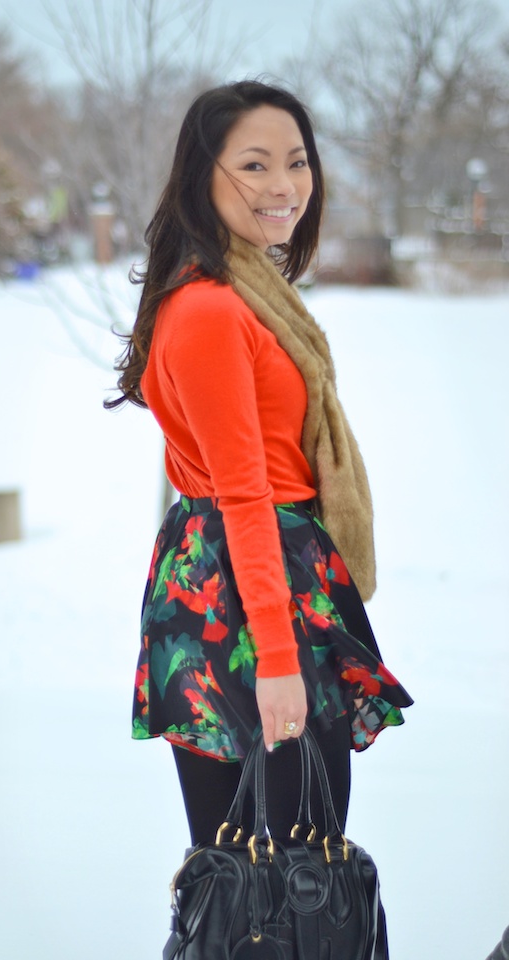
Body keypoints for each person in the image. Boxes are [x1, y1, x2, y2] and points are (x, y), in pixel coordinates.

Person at [106, 80, 412, 847]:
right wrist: (275, 660)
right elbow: (243, 492)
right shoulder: (211, 308)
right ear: (202, 175)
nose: (284, 186)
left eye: (298, 161)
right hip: (246, 597)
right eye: (254, 164)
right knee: (289, 876)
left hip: (248, 581)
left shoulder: (240, 292)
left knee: (260, 871)